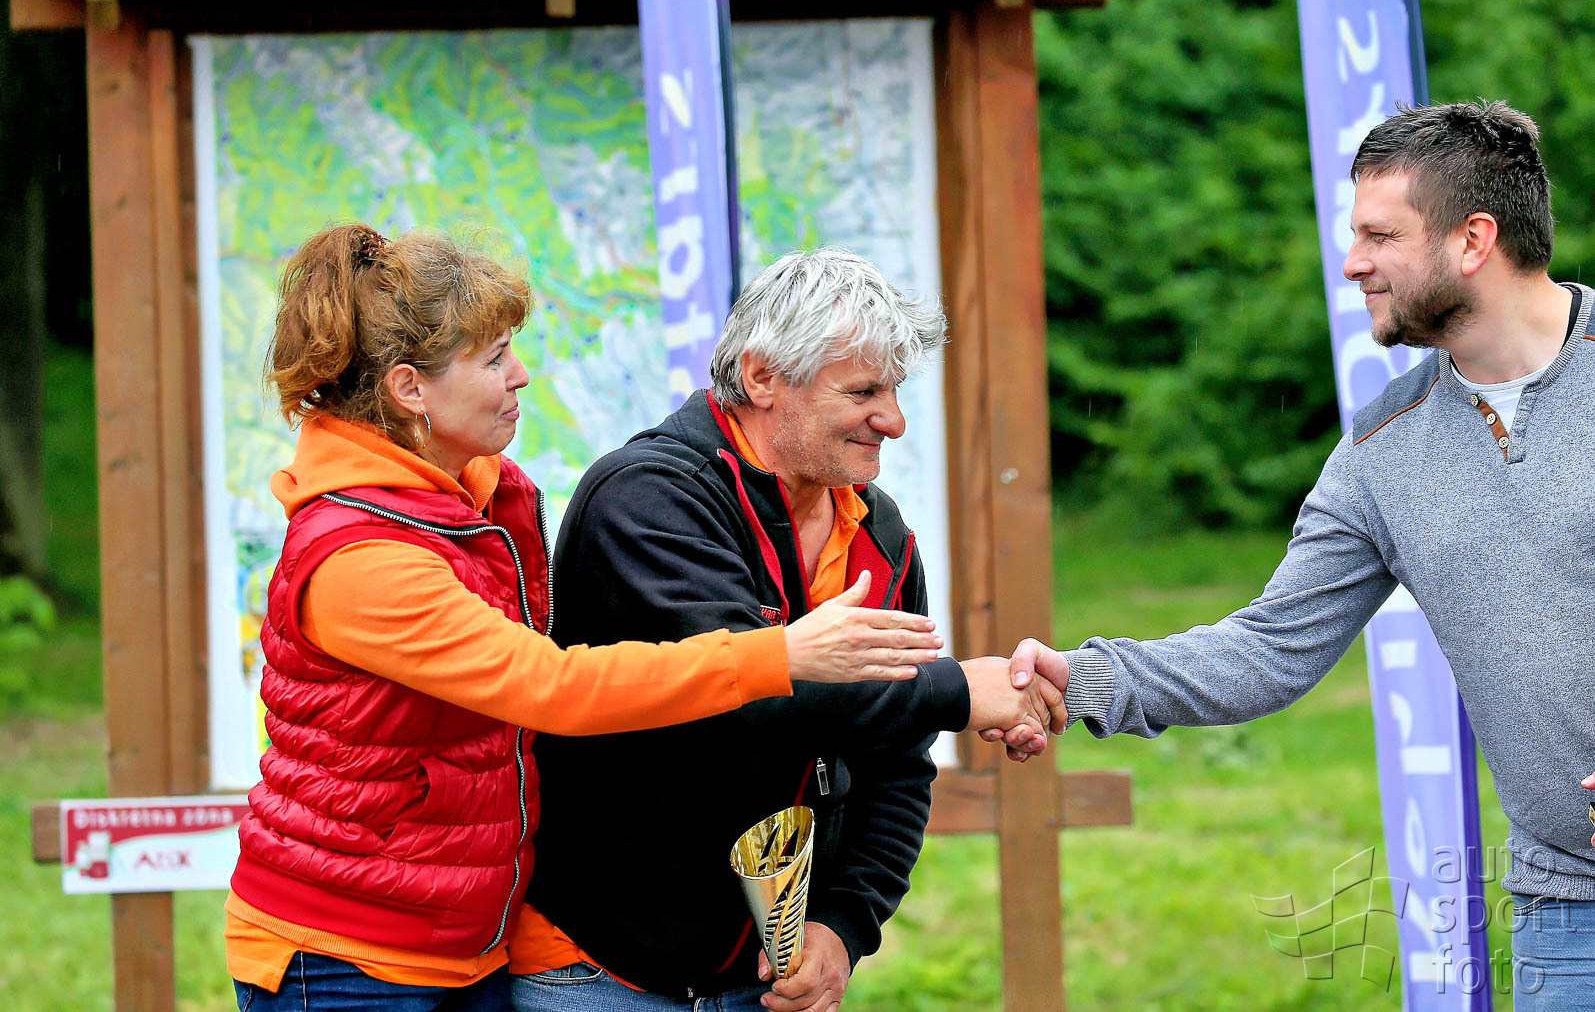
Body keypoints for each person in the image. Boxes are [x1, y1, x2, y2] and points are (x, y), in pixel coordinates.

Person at [225, 225, 959, 1012]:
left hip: (458, 942)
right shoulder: (363, 556)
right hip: (346, 953)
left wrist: (843, 921)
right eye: (494, 357)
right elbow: (553, 688)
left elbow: (890, 762)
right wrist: (784, 655)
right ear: (409, 389)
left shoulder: (472, 499)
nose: (521, 373)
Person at [1006, 101, 1595, 1009]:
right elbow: (1269, 647)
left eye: (1378, 235)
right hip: (1566, 909)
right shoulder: (1382, 452)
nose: (1352, 262)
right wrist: (1084, 677)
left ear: (1472, 239)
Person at [513, 248, 1065, 1012]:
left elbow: (895, 765)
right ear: (762, 376)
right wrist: (959, 691)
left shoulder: (880, 533)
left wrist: (844, 925)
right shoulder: (646, 498)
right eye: (863, 390)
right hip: (598, 974)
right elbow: (743, 697)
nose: (894, 420)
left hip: (763, 983)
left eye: (894, 389)